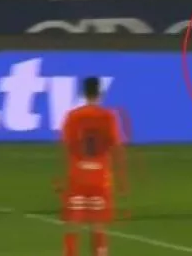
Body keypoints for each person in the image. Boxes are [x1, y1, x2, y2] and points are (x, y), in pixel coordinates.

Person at [60, 77, 127, 256]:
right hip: (100, 177)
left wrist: (63, 176)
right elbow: (116, 147)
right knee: (99, 224)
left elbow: (67, 145)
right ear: (100, 94)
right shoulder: (108, 116)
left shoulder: (73, 116)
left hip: (78, 176)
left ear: (84, 93)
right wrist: (121, 182)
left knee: (72, 223)